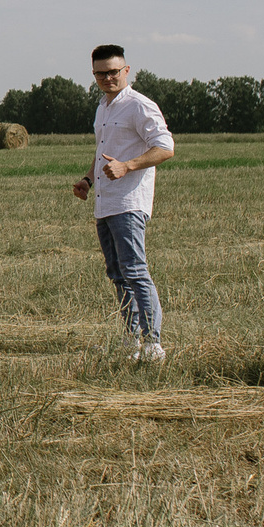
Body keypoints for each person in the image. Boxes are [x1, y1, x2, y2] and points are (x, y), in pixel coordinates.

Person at [75, 45, 175, 362]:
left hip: (129, 201)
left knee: (135, 271)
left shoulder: (139, 106)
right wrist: (88, 180)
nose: (107, 78)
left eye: (113, 72)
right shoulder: (103, 108)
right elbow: (102, 151)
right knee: (117, 274)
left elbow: (165, 148)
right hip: (105, 202)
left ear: (126, 71)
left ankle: (153, 343)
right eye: (100, 73)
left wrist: (127, 166)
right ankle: (131, 342)